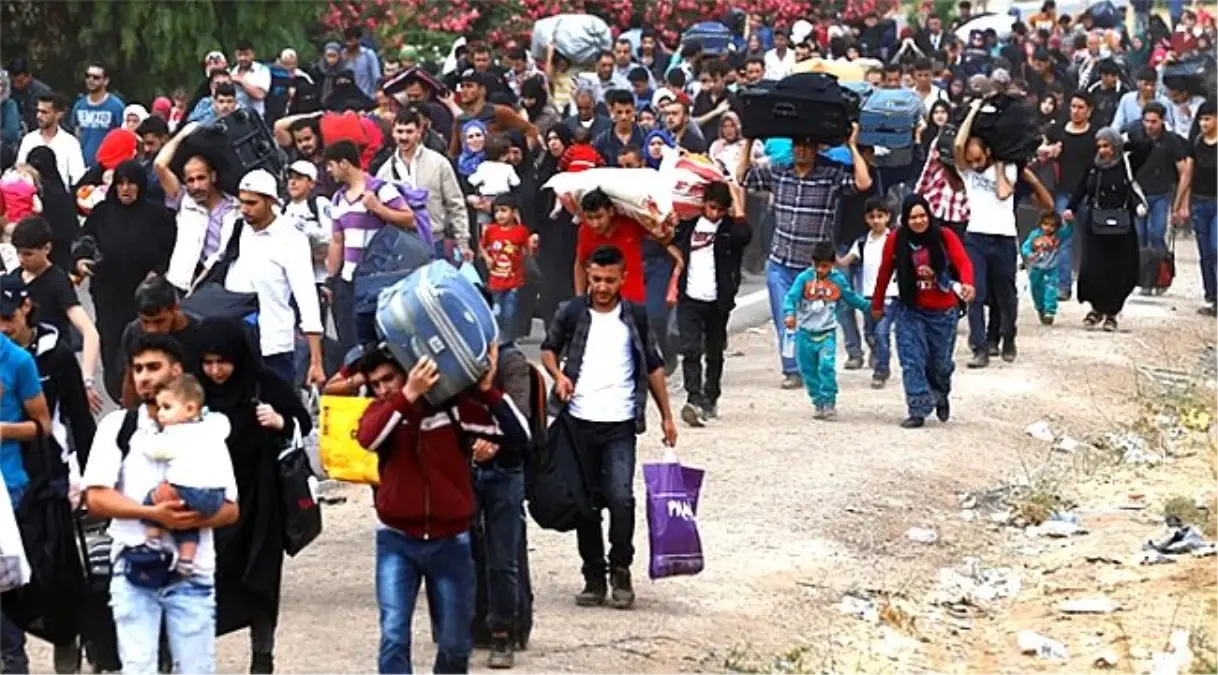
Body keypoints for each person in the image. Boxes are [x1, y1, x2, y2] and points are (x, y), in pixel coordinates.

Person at [355, 342, 529, 674]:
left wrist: (488, 391)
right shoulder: (382, 412)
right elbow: (368, 438)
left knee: (455, 643)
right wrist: (405, 396)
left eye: (388, 379)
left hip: (450, 542)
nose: (382, 389)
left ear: (410, 368)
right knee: (393, 634)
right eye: (374, 384)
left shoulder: (454, 409)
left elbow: (518, 436)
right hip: (397, 541)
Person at [82, 333, 240, 674]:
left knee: (196, 668)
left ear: (177, 370)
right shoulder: (118, 427)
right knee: (139, 667)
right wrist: (150, 513)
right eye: (137, 368)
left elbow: (230, 508)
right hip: (133, 565)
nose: (144, 376)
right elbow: (95, 497)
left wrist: (188, 519)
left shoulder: (207, 431)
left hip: (192, 571)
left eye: (153, 367)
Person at [540, 244, 678, 611]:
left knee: (621, 497)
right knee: (584, 505)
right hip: (578, 423)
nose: (601, 287)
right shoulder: (570, 312)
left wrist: (666, 415)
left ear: (623, 279)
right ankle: (593, 576)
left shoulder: (636, 316)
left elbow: (652, 364)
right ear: (586, 273)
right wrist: (558, 377)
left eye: (609, 280)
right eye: (596, 279)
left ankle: (621, 569)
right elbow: (548, 348)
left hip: (620, 424)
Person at [194, 318, 309, 674]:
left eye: (222, 362)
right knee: (205, 579)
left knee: (260, 578)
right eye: (208, 362)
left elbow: (301, 421)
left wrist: (281, 422)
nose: (215, 371)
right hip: (212, 502)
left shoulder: (264, 384)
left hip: (261, 500)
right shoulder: (194, 391)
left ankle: (262, 656)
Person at [738, 126, 872, 389]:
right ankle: (792, 370)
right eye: (797, 144)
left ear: (816, 148)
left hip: (814, 267)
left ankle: (813, 366)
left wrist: (852, 145)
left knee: (816, 322)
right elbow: (743, 177)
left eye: (807, 145)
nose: (801, 150)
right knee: (785, 318)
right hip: (780, 261)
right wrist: (750, 139)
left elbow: (863, 182)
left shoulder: (830, 174)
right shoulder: (779, 171)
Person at [869, 195, 975, 428]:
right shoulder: (896, 239)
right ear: (905, 219)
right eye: (913, 217)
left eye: (922, 216)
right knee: (912, 360)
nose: (918, 221)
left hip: (943, 312)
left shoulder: (944, 236)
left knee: (940, 364)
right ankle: (917, 408)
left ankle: (940, 393)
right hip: (910, 309)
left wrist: (968, 284)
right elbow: (885, 272)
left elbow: (963, 262)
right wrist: (876, 305)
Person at [75, 159, 176, 403]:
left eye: (131, 183)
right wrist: (80, 261)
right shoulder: (102, 213)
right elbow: (84, 242)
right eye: (120, 183)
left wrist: (158, 273)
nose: (126, 188)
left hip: (143, 298)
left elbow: (170, 250)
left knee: (144, 348)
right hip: (109, 295)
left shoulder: (158, 216)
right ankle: (121, 400)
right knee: (111, 349)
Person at [226, 169, 326, 386]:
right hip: (235, 342)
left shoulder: (291, 239)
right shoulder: (236, 229)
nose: (245, 209)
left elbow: (307, 298)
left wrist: (316, 361)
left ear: (270, 201)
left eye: (252, 203)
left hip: (274, 345)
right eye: (242, 202)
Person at [324, 140, 417, 351]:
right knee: (352, 343)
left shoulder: (381, 189)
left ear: (344, 163)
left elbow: (409, 219)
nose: (329, 171)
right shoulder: (338, 199)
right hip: (349, 282)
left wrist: (378, 208)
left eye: (331, 165)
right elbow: (337, 241)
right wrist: (331, 279)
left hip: (378, 280)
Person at [135, 374, 231, 578]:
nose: (160, 413)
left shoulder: (176, 434)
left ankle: (152, 540)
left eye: (166, 407)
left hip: (189, 490)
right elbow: (224, 423)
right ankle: (187, 561)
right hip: (216, 496)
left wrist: (149, 429)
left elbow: (153, 449)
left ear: (189, 409)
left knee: (152, 499)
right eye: (159, 407)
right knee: (188, 522)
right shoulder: (213, 427)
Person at [673, 181, 750, 426]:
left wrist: (736, 200)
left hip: (718, 301)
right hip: (689, 297)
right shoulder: (688, 226)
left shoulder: (730, 230)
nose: (714, 213)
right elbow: (664, 236)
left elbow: (745, 235)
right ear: (703, 203)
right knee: (690, 349)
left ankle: (711, 397)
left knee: (714, 352)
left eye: (720, 209)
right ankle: (693, 398)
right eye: (711, 207)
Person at [7, 216, 102, 411]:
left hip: (52, 367)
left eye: (28, 254)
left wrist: (86, 380)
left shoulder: (58, 282)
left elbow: (90, 332)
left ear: (47, 249)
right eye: (19, 253)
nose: (22, 259)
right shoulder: (13, 280)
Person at [0, 317, 51, 673]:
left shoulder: (17, 361)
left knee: (6, 585)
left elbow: (42, 424)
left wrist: (3, 429)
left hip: (9, 485)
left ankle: (14, 657)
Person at [954, 98, 1019, 368]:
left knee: (1006, 293)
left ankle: (1009, 336)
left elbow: (1004, 193)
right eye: (971, 160)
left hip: (1003, 237)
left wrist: (1001, 166)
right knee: (975, 293)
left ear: (989, 153)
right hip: (976, 237)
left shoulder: (1009, 168)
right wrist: (972, 111)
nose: (975, 164)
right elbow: (958, 145)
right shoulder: (967, 172)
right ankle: (979, 347)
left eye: (979, 158)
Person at [1063, 127, 1144, 332]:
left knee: (1118, 269)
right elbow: (1082, 187)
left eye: (1107, 145)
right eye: (1099, 146)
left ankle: (1112, 312)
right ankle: (1096, 308)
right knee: (1093, 267)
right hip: (1096, 223)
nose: (1102, 150)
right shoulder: (1093, 166)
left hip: (1121, 224)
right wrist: (1071, 208)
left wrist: (1126, 140)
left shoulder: (1126, 163)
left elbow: (1146, 146)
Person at [782, 242, 869, 420]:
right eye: (817, 265)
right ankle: (818, 401)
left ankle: (829, 401)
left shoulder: (838, 280)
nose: (820, 270)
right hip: (805, 333)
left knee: (826, 367)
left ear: (832, 264)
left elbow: (851, 298)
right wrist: (789, 314)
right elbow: (791, 298)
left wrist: (870, 308)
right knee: (808, 371)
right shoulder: (804, 279)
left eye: (825, 266)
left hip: (827, 333)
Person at [152, 124, 241, 292]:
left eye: (201, 178)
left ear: (213, 176)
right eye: (190, 180)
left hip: (221, 284)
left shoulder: (234, 207)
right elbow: (159, 165)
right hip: (183, 283)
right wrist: (183, 134)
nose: (196, 185)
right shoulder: (184, 200)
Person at [116, 276, 207, 407]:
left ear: (175, 309)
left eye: (159, 321)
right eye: (145, 321)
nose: (151, 330)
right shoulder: (133, 332)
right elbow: (130, 381)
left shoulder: (201, 333)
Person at [837, 197, 899, 389]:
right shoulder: (862, 243)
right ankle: (878, 354)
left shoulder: (895, 240)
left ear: (887, 217)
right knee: (870, 333)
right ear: (866, 219)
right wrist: (830, 258)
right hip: (868, 297)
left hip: (889, 295)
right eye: (872, 217)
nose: (876, 220)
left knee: (881, 333)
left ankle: (881, 370)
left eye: (880, 216)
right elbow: (846, 261)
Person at [480, 194, 538, 344]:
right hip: (496, 280)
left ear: (514, 213)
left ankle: (510, 339)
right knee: (497, 311)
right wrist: (487, 258)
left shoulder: (521, 232)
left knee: (511, 311)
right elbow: (482, 246)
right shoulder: (491, 231)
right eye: (497, 211)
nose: (499, 215)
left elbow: (528, 253)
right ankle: (498, 338)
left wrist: (532, 247)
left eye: (504, 210)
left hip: (514, 281)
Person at [16, 94, 86, 191]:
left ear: (59, 114)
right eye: (38, 111)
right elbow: (19, 172)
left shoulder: (70, 143)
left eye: (44, 112)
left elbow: (78, 178)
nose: (38, 116)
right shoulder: (28, 140)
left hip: (59, 200)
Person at [1189, 101, 1218, 316]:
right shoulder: (1197, 143)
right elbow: (1188, 174)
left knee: (1216, 247)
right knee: (1205, 252)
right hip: (1199, 201)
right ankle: (1212, 294)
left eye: (1208, 118)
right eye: (1201, 119)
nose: (1203, 123)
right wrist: (1181, 203)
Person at [1021, 211, 1074, 325]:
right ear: (1040, 223)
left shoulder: (1058, 235)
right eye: (1045, 224)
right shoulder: (1035, 235)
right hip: (1036, 267)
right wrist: (1029, 253)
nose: (1048, 228)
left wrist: (1070, 223)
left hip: (1052, 267)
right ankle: (1040, 308)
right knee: (1036, 288)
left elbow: (1068, 232)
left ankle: (1050, 311)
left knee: (1051, 288)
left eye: (1052, 225)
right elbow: (1026, 246)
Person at [70, 63, 125, 167]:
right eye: (88, 76)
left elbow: (121, 137)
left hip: (106, 165)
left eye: (96, 78)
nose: (90, 80)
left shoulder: (116, 107)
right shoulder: (79, 105)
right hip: (81, 165)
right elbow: (76, 134)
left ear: (106, 81)